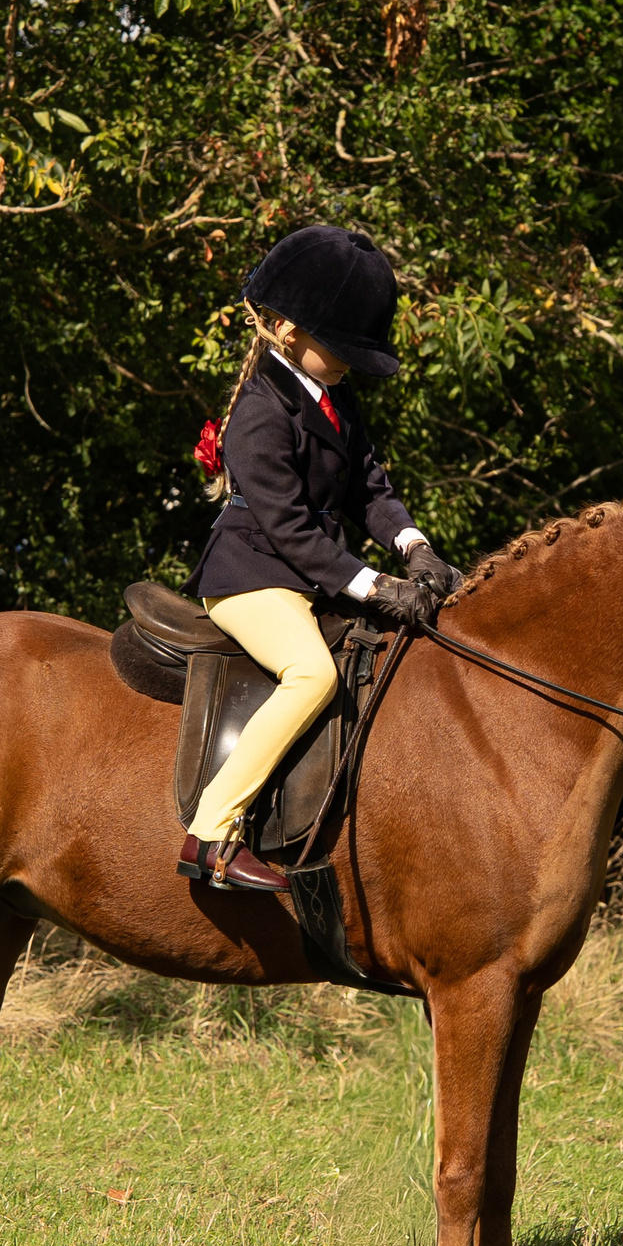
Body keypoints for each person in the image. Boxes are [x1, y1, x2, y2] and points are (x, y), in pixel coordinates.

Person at [177, 225, 463, 892]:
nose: (347, 365)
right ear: (285, 329)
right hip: (251, 574)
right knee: (312, 675)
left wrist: (416, 549)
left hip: (304, 571)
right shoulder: (258, 410)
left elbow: (369, 488)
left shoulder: (334, 399)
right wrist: (374, 585)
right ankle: (212, 831)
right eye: (338, 351)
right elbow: (292, 531)